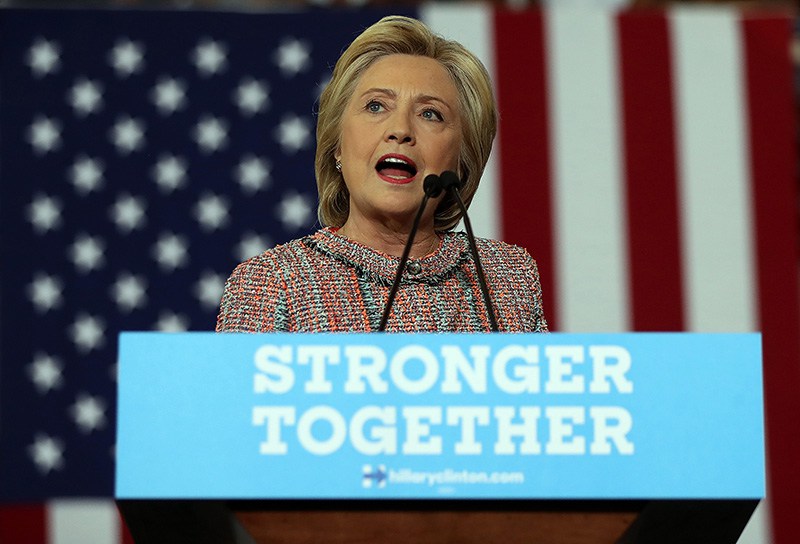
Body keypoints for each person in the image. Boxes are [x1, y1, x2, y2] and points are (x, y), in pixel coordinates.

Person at [216, 15, 547, 333]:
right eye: (376, 106)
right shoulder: (272, 283)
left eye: (430, 114)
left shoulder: (506, 277)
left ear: (461, 160)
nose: (400, 130)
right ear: (337, 146)